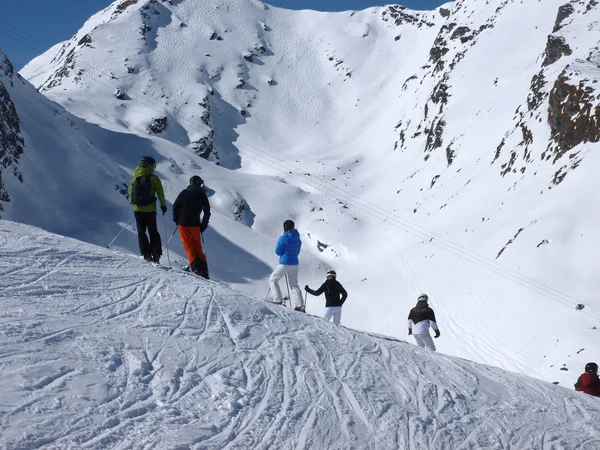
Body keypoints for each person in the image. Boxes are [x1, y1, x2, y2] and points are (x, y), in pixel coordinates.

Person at [129, 156, 167, 263]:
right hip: (150, 210)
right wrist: (163, 205)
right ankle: (156, 254)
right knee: (153, 231)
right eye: (154, 165)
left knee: (141, 232)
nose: (154, 167)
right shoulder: (154, 178)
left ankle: (146, 254)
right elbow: (160, 193)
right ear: (149, 165)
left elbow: (131, 194)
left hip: (138, 210)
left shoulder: (135, 178)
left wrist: (135, 203)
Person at [173, 175, 211, 279]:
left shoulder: (184, 193)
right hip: (195, 224)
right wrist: (204, 224)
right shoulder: (202, 195)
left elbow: (176, 206)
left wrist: (176, 219)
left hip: (183, 223)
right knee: (197, 247)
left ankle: (196, 269)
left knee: (188, 246)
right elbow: (207, 211)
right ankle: (204, 271)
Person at [269, 220, 303, 311]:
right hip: (295, 263)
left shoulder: (283, 238)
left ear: (285, 227)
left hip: (285, 262)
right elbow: (297, 252)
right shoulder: (298, 239)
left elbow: (278, 251)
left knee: (273, 279)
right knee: (294, 284)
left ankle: (278, 300)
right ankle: (300, 306)